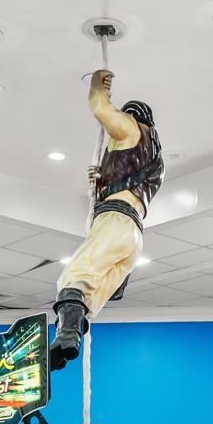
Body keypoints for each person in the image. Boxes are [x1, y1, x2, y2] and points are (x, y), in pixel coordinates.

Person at [53, 68, 162, 368]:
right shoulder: (154, 159)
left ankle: (66, 337)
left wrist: (96, 85)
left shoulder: (131, 128)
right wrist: (100, 180)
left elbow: (100, 108)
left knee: (73, 278)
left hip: (115, 221)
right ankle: (63, 351)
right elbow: (126, 178)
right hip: (133, 236)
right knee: (90, 301)